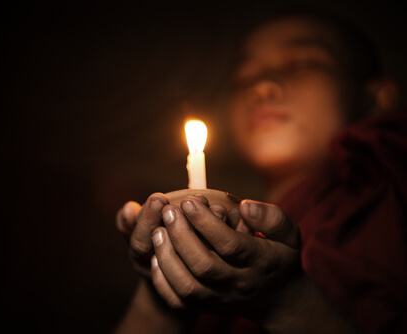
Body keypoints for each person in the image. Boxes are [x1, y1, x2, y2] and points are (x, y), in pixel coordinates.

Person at [113, 7, 407, 334]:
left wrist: (288, 303)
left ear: (376, 98)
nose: (261, 86)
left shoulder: (388, 180)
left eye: (300, 64)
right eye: (244, 77)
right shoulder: (237, 238)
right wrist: (159, 289)